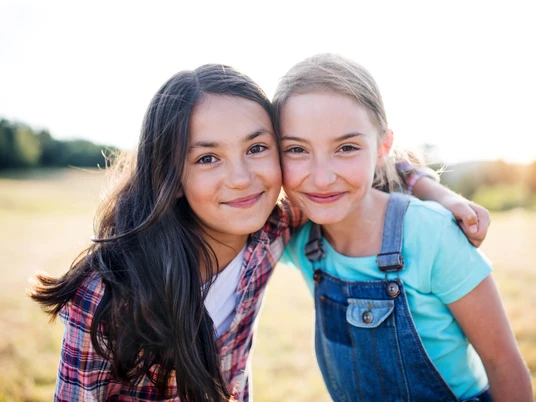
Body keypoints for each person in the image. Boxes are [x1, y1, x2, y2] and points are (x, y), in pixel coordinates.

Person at [29, 63, 491, 402]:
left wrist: (438, 192)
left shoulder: (270, 230)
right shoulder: (108, 294)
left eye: (256, 148)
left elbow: (358, 164)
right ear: (168, 173)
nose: (242, 178)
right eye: (207, 157)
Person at [274, 53, 532, 401]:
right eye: (296, 149)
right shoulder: (298, 238)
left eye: (347, 147)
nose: (321, 178)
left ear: (383, 146)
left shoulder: (431, 232)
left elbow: (503, 364)